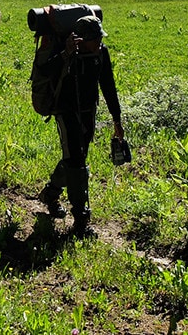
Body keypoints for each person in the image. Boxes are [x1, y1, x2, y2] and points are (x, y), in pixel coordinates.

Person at [36, 15, 124, 237]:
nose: (99, 43)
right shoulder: (67, 54)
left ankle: (51, 193)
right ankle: (81, 219)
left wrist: (117, 120)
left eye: (99, 38)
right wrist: (65, 54)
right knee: (76, 161)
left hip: (88, 112)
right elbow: (44, 71)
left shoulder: (100, 53)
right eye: (95, 39)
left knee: (76, 158)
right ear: (81, 39)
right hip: (66, 111)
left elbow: (108, 85)